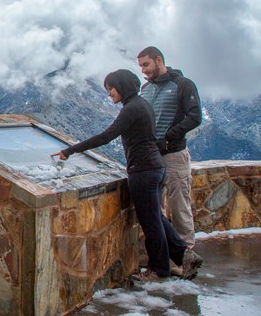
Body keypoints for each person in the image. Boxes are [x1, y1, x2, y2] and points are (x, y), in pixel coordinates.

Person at [51, 69, 202, 281]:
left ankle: (159, 270)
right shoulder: (142, 105)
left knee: (151, 223)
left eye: (111, 88)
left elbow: (106, 136)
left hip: (143, 170)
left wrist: (70, 150)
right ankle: (184, 255)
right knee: (157, 217)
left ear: (121, 86)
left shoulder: (131, 109)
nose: (109, 93)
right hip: (156, 166)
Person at [137, 46, 202, 250]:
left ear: (159, 60)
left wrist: (168, 137)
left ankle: (186, 254)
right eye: (140, 66)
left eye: (146, 64)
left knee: (179, 206)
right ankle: (165, 253)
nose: (143, 70)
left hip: (174, 155)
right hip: (151, 156)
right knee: (157, 208)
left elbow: (194, 117)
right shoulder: (145, 89)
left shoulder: (183, 84)